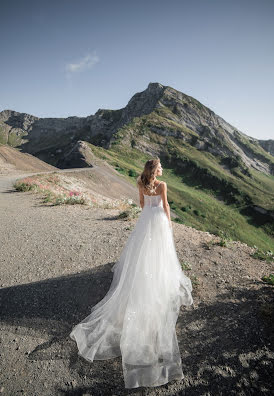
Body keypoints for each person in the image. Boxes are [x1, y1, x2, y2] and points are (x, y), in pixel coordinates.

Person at [69, 158, 194, 389]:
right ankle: (159, 283)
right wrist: (168, 223)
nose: (162, 170)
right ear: (155, 170)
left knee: (142, 254)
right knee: (161, 254)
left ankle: (142, 280)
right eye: (160, 168)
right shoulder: (163, 185)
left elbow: (141, 203)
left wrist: (148, 213)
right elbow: (165, 206)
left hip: (145, 219)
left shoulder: (140, 182)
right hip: (157, 220)